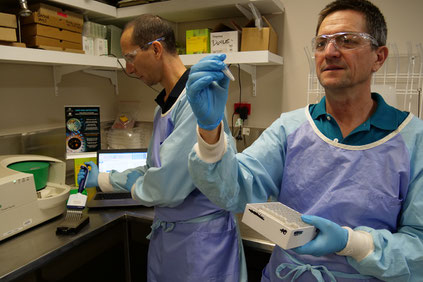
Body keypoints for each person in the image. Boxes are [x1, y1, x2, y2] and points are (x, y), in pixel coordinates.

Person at [186, 0, 423, 281]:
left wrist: (352, 244)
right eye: (321, 43)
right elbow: (234, 191)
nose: (330, 51)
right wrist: (210, 129)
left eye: (346, 41)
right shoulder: (291, 128)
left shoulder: (412, 139)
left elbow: (418, 245)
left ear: (378, 57)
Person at [77, 14, 246, 282]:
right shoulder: (163, 107)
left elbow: (168, 185)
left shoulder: (195, 101)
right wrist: (104, 179)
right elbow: (152, 168)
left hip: (201, 245)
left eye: (130, 58)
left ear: (155, 49)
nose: (129, 69)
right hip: (170, 238)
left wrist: (135, 186)